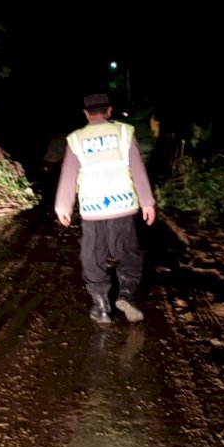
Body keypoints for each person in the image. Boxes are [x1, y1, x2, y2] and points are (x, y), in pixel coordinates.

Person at [54, 92, 157, 324]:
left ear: (86, 113)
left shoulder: (76, 139)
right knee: (127, 251)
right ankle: (126, 295)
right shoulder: (123, 132)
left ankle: (101, 306)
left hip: (93, 208)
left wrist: (63, 205)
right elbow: (137, 169)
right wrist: (147, 202)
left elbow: (69, 174)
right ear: (109, 111)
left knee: (93, 255)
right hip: (123, 205)